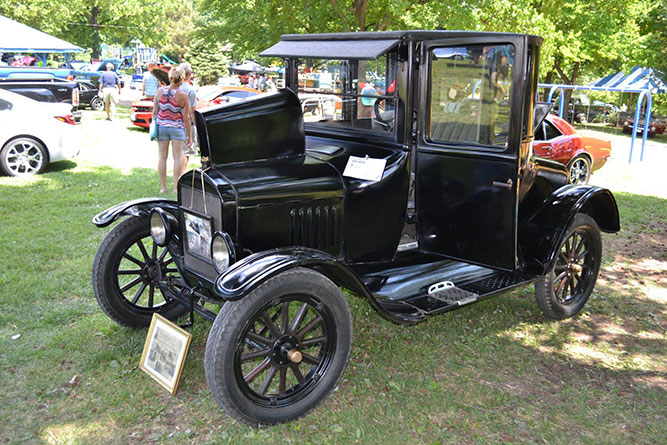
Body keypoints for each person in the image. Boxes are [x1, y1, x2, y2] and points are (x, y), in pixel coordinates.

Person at [152, 66, 192, 194]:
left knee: (162, 157)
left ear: (170, 77)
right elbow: (186, 118)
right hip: (177, 128)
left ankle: (163, 188)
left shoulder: (160, 91)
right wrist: (189, 136)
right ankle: (175, 188)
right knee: (177, 157)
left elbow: (154, 112)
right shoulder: (183, 96)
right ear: (182, 79)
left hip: (162, 126)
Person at [178, 62, 198, 162]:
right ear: (189, 74)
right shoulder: (191, 90)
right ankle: (181, 176)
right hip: (186, 124)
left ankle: (177, 175)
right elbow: (192, 111)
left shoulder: (174, 88)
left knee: (177, 154)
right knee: (185, 153)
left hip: (174, 124)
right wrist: (195, 126)